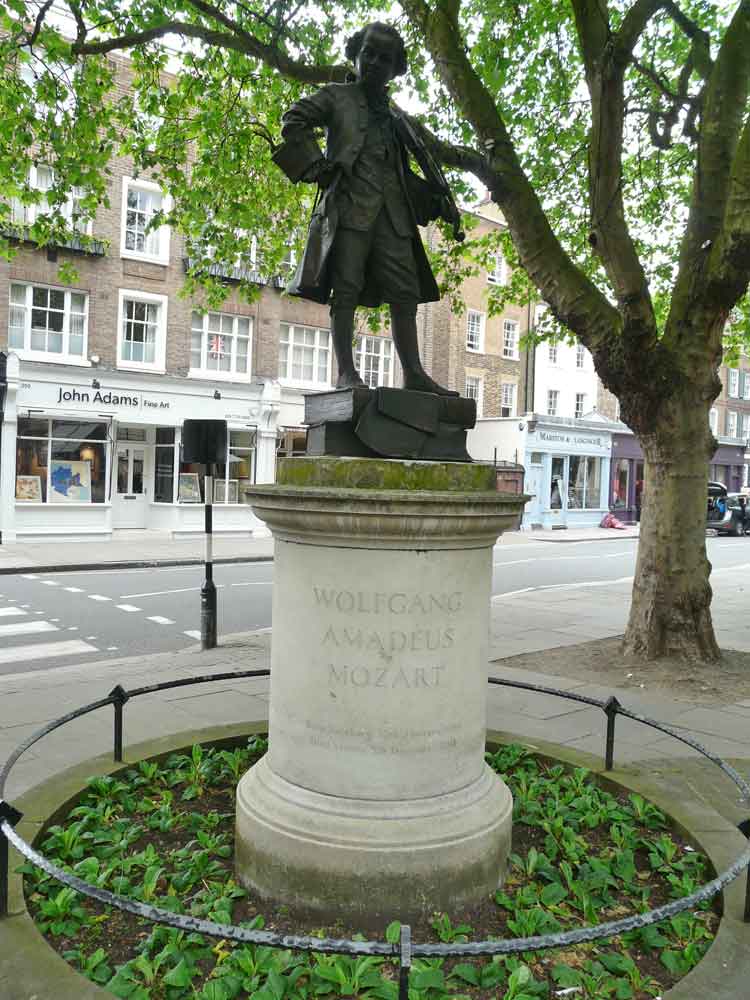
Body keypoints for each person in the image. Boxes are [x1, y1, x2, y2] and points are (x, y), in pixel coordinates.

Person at [272, 21, 461, 395]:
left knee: (405, 294)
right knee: (345, 291)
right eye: (369, 53)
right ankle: (346, 373)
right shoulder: (336, 97)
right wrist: (315, 166)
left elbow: (404, 174)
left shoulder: (397, 121)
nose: (375, 62)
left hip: (394, 219)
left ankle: (414, 374)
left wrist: (437, 200)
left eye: (385, 58)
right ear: (356, 55)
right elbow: (293, 120)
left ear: (395, 69)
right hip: (349, 213)